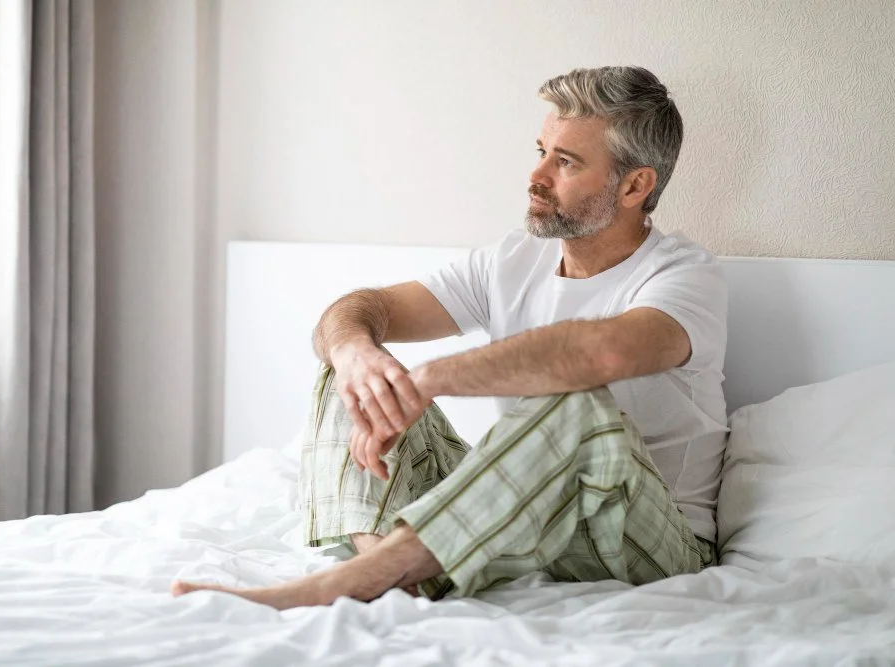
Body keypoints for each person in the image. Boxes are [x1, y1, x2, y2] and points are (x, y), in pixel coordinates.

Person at [172, 65, 728, 609]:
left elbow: (600, 352)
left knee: (576, 407)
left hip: (652, 539)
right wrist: (356, 353)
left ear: (634, 185)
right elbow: (362, 311)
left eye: (565, 162)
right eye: (541, 152)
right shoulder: (513, 260)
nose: (535, 178)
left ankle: (350, 582)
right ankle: (384, 567)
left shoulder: (683, 277)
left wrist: (433, 378)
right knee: (357, 368)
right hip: (528, 520)